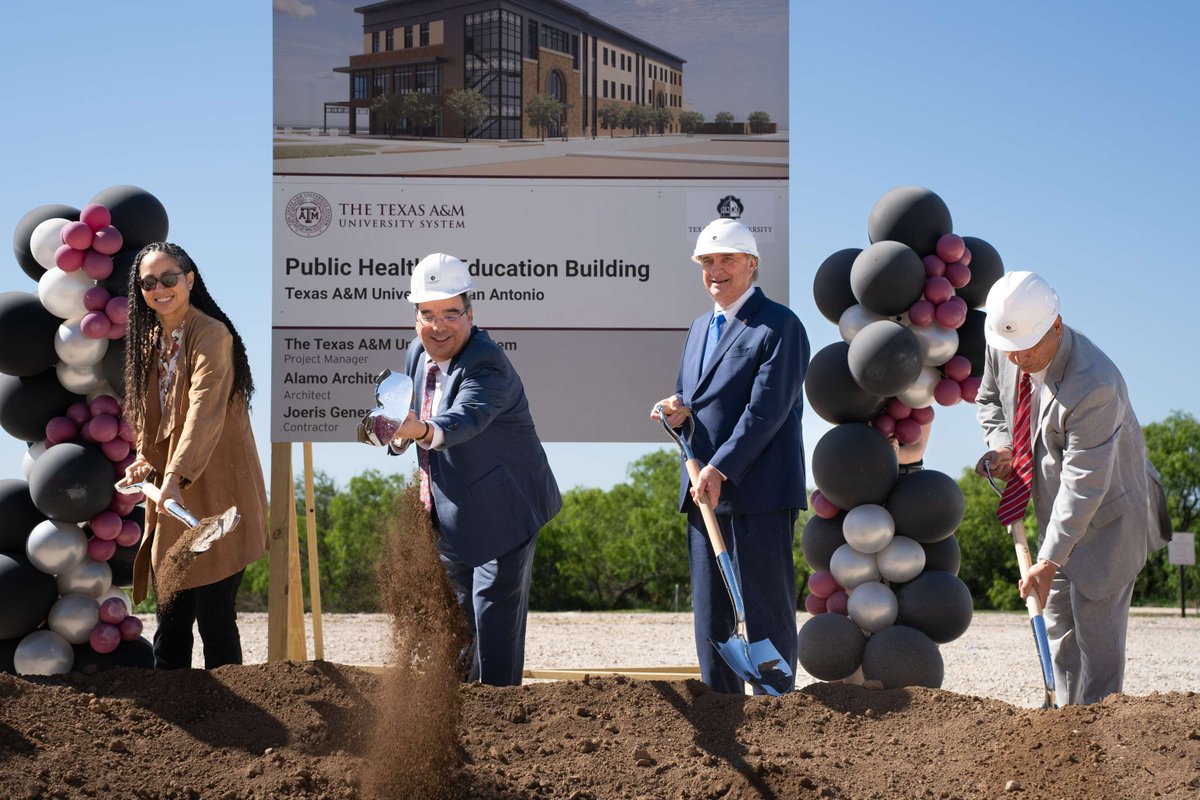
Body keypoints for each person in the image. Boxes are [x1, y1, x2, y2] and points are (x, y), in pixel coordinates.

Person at [974, 271, 1171, 705]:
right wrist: (1003, 445)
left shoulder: (1095, 384)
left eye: (1027, 352)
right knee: (1058, 625)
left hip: (1110, 520)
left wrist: (1047, 561)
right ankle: (1064, 727)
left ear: (1056, 326)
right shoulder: (1004, 343)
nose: (1017, 362)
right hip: (1054, 513)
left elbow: (1084, 484)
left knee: (1096, 640)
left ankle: (1099, 735)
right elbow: (988, 400)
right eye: (1010, 352)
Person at [382, 253, 561, 686]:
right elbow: (413, 417)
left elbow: (465, 418)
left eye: (450, 314)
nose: (438, 326)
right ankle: (462, 715)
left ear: (470, 314)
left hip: (504, 510)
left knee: (492, 620)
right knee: (457, 630)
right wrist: (397, 433)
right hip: (447, 511)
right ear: (415, 317)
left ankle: (501, 719)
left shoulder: (486, 362)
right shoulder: (415, 355)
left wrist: (421, 429)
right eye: (428, 314)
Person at [652, 218, 809, 694]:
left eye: (727, 260)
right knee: (712, 619)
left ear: (752, 264)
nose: (715, 270)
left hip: (757, 493)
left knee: (765, 612)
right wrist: (677, 410)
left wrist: (722, 467)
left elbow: (767, 411)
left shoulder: (780, 325)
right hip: (704, 495)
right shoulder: (700, 328)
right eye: (707, 261)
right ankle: (723, 712)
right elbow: (695, 398)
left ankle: (775, 712)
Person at [123, 242, 268, 670]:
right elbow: (154, 420)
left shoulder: (212, 334)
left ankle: (234, 723)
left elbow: (205, 410)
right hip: (173, 502)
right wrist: (143, 460)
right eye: (148, 282)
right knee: (170, 622)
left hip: (217, 497)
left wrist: (175, 476)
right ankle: (175, 729)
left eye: (169, 278)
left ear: (189, 280)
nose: (159, 288)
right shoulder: (151, 341)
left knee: (216, 619)